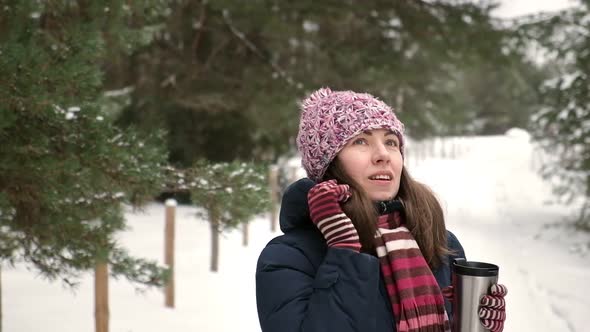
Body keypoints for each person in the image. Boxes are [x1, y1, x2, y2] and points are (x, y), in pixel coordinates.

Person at [255, 88, 507, 332]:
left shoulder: (439, 242)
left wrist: (477, 325)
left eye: (391, 141)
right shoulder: (287, 258)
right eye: (361, 141)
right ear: (328, 164)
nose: (383, 155)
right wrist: (343, 252)